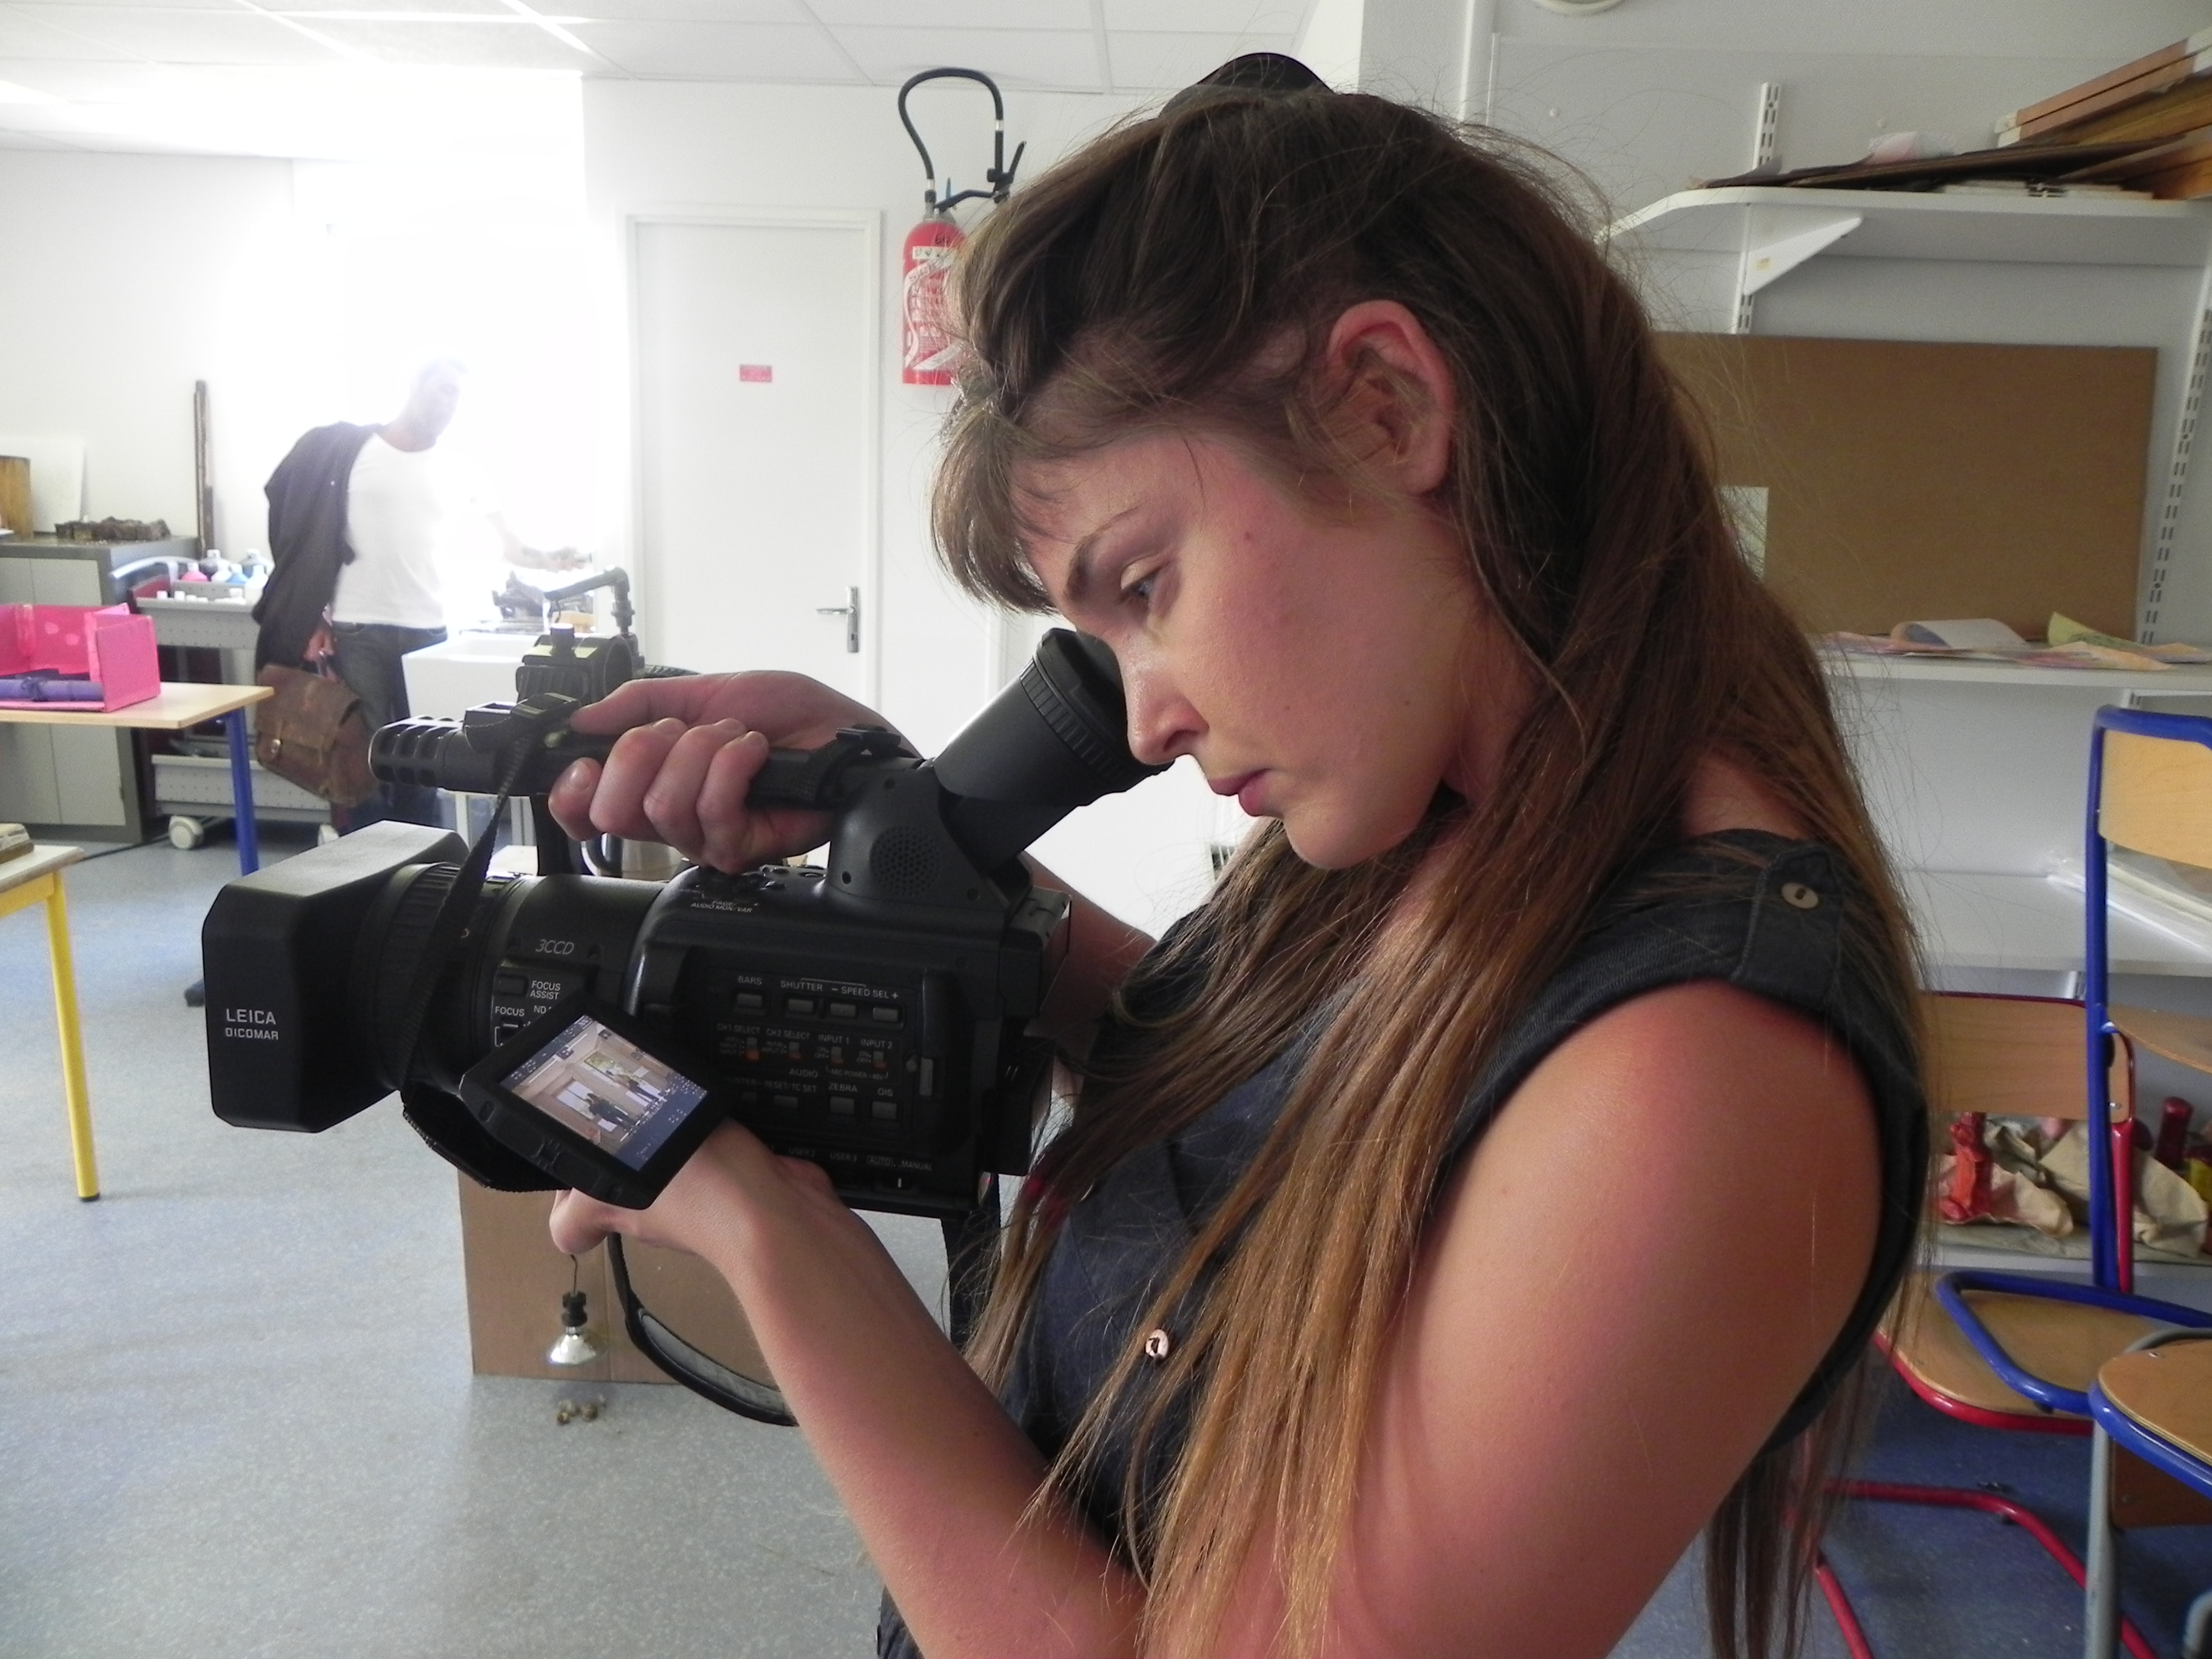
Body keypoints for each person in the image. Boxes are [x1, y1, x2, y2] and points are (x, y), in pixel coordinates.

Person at [540, 61, 1925, 1659]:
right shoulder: (1445, 806)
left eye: (1145, 586)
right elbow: (1249, 1101)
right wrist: (900, 833)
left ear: (1388, 406)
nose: (1144, 721)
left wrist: (767, 1236)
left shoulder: (1698, 1071)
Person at [254, 358, 580, 828]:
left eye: (458, 395)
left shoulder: (461, 464)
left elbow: (511, 546)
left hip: (429, 631)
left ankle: (421, 857)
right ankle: (368, 860)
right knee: (362, 759)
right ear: (415, 384)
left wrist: (550, 559)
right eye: (444, 390)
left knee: (424, 755)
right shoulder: (350, 451)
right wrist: (313, 614)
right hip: (358, 627)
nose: (450, 404)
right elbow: (300, 527)